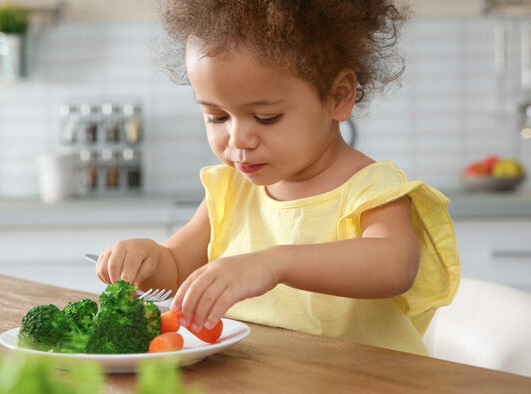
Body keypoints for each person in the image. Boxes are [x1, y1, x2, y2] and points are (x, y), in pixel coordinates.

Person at [96, 0, 459, 356]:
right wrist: (145, 260)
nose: (238, 140)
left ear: (339, 96)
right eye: (217, 117)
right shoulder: (230, 190)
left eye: (266, 118)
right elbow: (174, 267)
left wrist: (273, 263)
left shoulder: (371, 189)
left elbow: (393, 265)